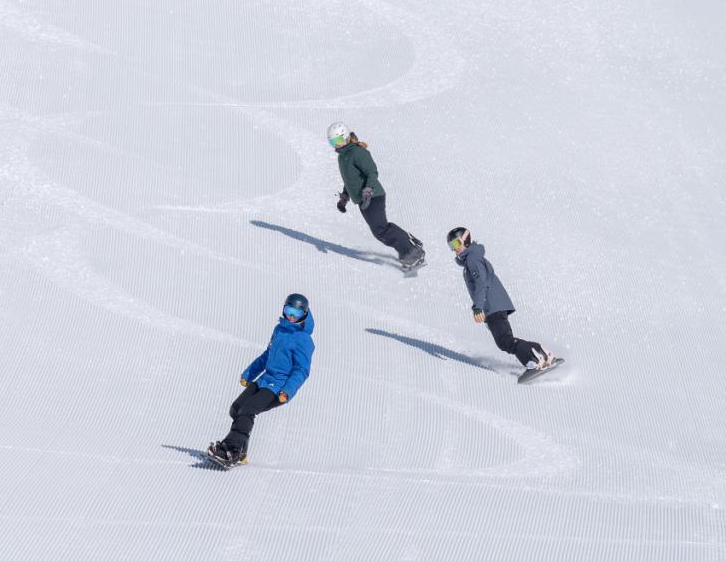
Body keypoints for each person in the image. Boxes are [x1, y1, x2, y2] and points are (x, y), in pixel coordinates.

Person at [208, 293, 316, 465]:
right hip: (265, 380)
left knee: (248, 409)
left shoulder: (304, 340)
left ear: (304, 314)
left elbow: (301, 371)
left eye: (296, 313)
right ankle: (241, 452)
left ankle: (231, 449)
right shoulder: (279, 330)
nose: (291, 316)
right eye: (289, 310)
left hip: (278, 388)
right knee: (236, 409)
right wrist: (249, 374)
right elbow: (267, 356)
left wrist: (287, 391)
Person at [447, 227, 555, 371]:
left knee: (504, 341)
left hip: (491, 305)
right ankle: (542, 354)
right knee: (506, 340)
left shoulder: (472, 259)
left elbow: (481, 283)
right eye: (451, 246)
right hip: (494, 305)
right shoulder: (472, 258)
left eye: (455, 244)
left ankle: (534, 361)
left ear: (464, 240)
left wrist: (478, 307)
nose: (454, 249)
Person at [329, 122, 426, 271]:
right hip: (363, 199)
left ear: (346, 137)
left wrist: (368, 190)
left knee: (381, 229)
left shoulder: (357, 152)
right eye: (332, 142)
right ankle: (411, 247)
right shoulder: (343, 156)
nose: (335, 145)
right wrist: (345, 198)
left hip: (373, 196)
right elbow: (350, 180)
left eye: (337, 140)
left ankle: (412, 253)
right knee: (380, 230)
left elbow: (372, 172)